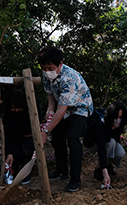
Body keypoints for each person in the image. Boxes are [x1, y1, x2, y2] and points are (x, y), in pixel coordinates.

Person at [38, 46, 93, 192]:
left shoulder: (70, 78)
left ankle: (75, 180)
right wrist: (50, 110)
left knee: (72, 138)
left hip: (80, 108)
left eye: (50, 67)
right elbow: (50, 94)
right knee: (57, 138)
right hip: (64, 108)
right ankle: (61, 171)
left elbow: (62, 109)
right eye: (44, 68)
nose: (47, 71)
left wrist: (45, 132)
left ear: (60, 64)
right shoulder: (45, 73)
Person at [83, 101, 127, 187]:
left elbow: (116, 137)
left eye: (120, 117)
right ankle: (99, 169)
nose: (118, 120)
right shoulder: (101, 124)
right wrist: (105, 175)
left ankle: (107, 165)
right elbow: (101, 148)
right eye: (116, 117)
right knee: (111, 143)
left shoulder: (120, 123)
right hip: (93, 143)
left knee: (120, 152)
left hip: (108, 142)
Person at [2, 89, 34, 185]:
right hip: (14, 137)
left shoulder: (32, 108)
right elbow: (7, 135)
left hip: (29, 136)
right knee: (14, 155)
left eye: (19, 108)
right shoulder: (7, 115)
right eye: (13, 108)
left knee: (28, 148)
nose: (16, 110)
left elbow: (38, 123)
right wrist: (9, 153)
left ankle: (26, 171)